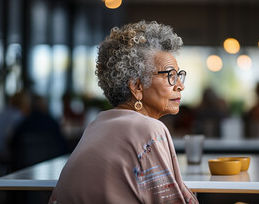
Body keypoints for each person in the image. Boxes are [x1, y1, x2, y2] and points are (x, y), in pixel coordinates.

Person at [49, 21, 198, 204]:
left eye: (179, 75)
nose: (180, 86)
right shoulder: (150, 130)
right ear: (136, 86)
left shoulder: (96, 125)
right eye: (170, 76)